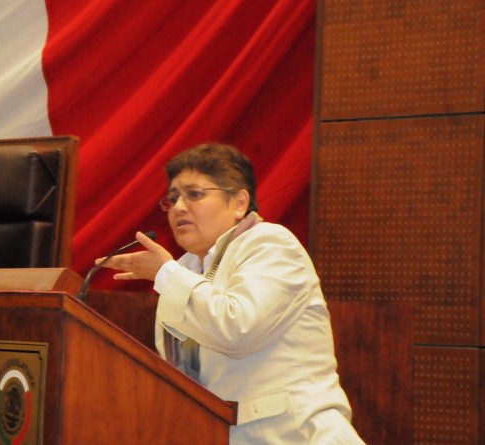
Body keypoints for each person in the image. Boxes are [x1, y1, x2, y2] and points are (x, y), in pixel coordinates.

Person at [100, 143, 363, 444]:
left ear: (239, 203)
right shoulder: (183, 271)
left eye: (194, 194)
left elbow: (237, 329)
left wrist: (165, 275)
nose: (179, 207)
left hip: (295, 435)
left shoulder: (271, 244)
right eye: (173, 199)